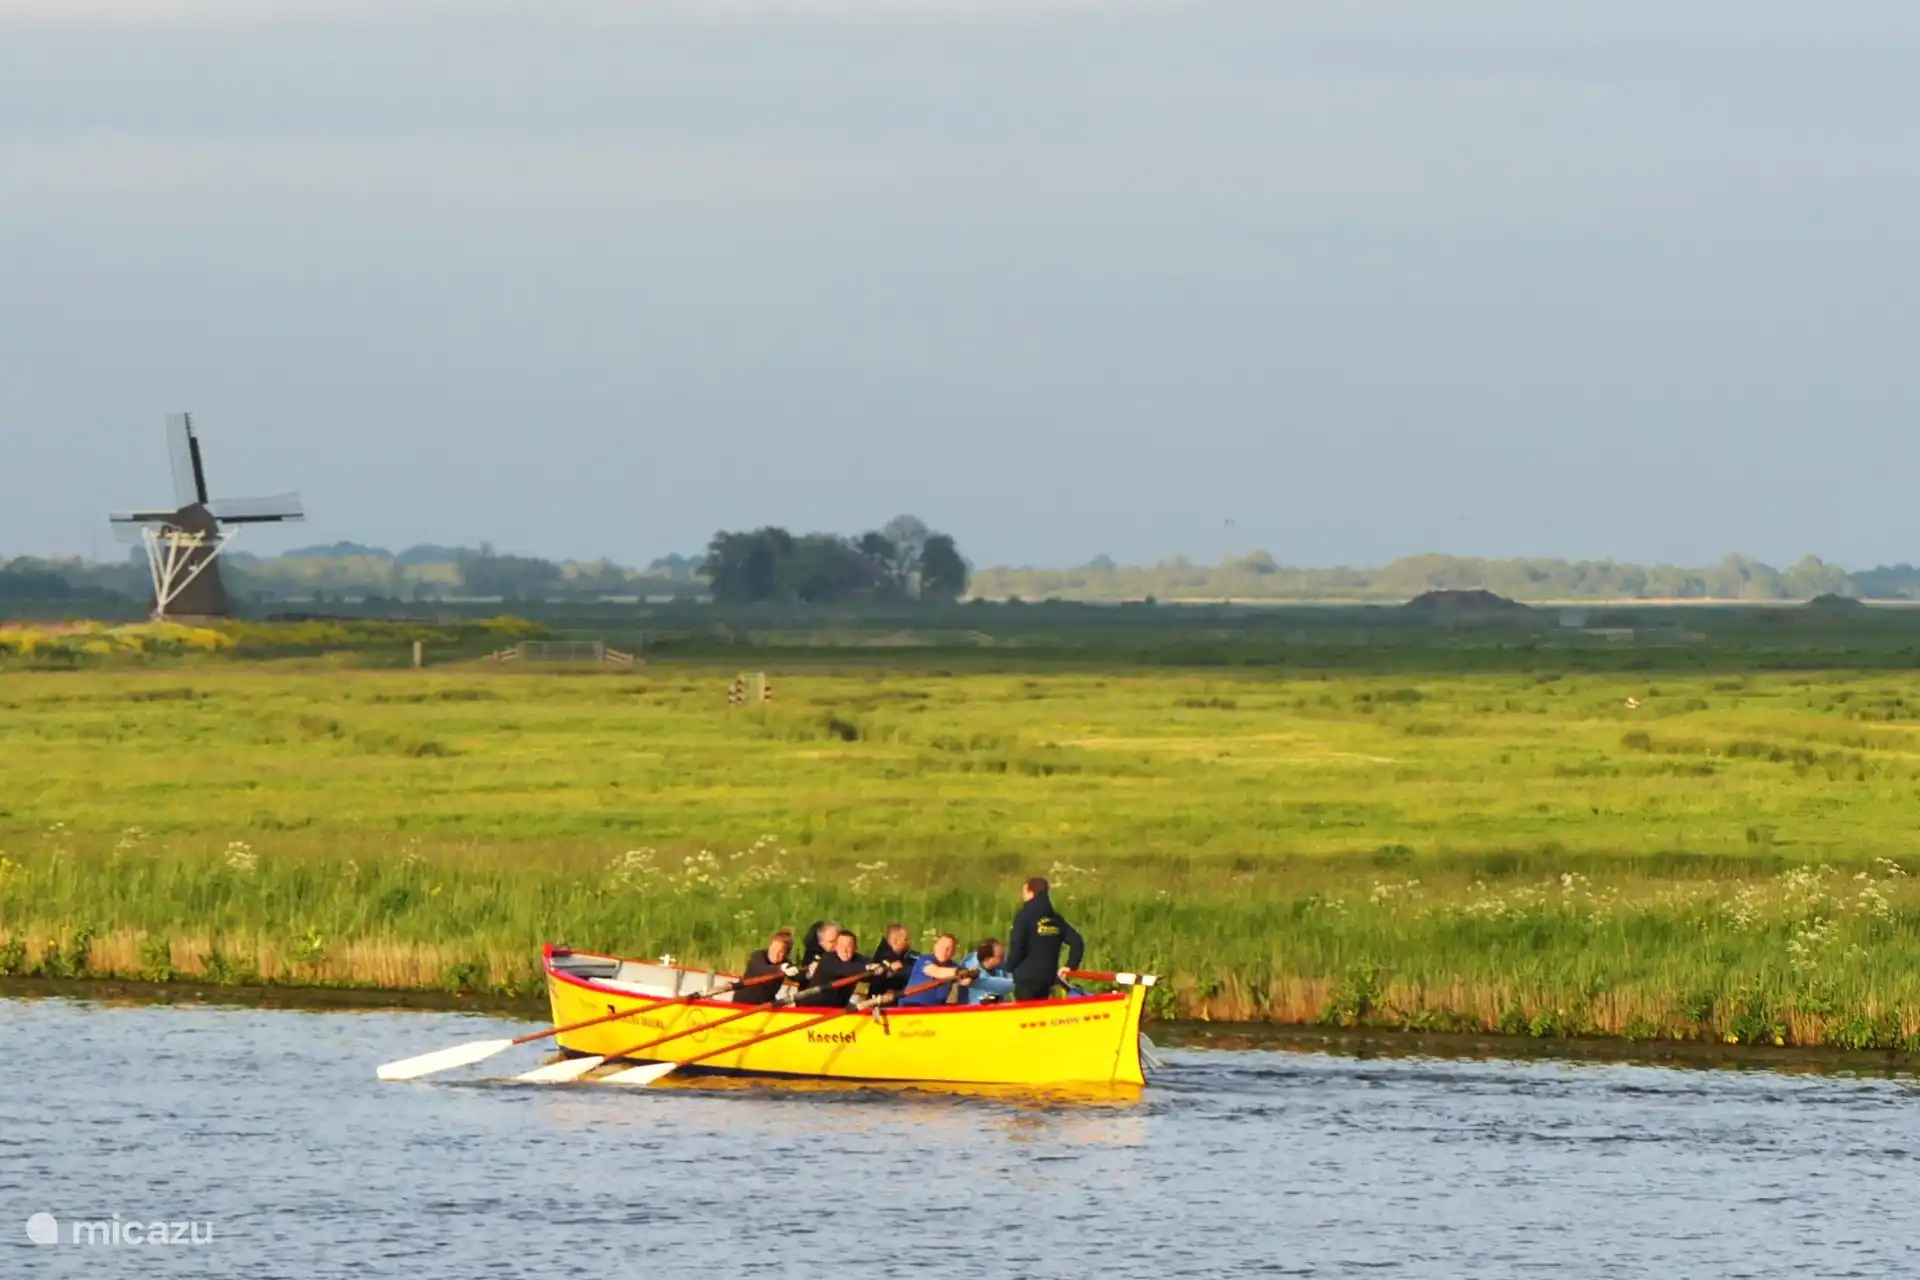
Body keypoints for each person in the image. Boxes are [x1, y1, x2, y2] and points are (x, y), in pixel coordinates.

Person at [1005, 876, 1085, 1002]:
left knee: (1026, 1017)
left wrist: (1007, 969)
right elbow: (1077, 941)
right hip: (1047, 978)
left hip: (1026, 980)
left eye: (1024, 892)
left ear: (1031, 893)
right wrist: (1071, 966)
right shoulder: (1056, 919)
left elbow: (1017, 948)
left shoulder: (1024, 916)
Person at [798, 929, 880, 1008]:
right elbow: (844, 969)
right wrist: (867, 967)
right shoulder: (828, 959)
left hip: (837, 1009)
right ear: (836, 947)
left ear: (855, 948)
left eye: (849, 947)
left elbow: (872, 965)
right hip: (811, 1008)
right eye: (841, 946)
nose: (844, 950)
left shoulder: (858, 959)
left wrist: (881, 968)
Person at [900, 933, 975, 1007]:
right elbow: (936, 971)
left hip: (935, 1010)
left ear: (953, 952)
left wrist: (969, 978)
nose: (944, 951)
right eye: (941, 946)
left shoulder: (954, 966)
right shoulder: (924, 959)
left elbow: (965, 982)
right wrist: (958, 972)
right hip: (910, 1007)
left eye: (949, 948)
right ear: (935, 947)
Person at [735, 930, 798, 1006]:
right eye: (774, 949)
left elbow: (798, 976)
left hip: (765, 1004)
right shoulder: (757, 956)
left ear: (785, 954)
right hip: (742, 1003)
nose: (775, 954)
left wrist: (808, 972)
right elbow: (762, 970)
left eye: (780, 952)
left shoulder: (785, 963)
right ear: (770, 946)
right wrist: (780, 969)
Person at [959, 937, 1016, 1005]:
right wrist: (1019, 983)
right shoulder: (973, 973)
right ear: (988, 959)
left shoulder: (1000, 967)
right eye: (1000, 956)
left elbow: (1013, 976)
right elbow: (995, 986)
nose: (1004, 958)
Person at [869, 923, 917, 998]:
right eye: (906, 939)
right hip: (882, 998)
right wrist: (890, 969)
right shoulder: (882, 959)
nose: (909, 942)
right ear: (895, 941)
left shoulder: (907, 955)